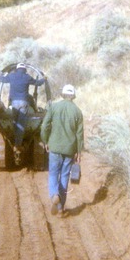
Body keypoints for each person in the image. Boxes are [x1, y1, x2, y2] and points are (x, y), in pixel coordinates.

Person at [41, 84, 84, 217]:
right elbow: (79, 134)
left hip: (54, 147)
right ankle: (61, 209)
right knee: (64, 176)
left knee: (53, 174)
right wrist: (79, 151)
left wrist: (45, 140)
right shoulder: (77, 111)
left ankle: (54, 195)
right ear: (73, 96)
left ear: (63, 94)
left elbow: (45, 126)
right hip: (70, 150)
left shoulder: (54, 107)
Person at [0, 62, 45, 150]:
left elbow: (2, 79)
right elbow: (38, 83)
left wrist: (0, 74)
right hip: (24, 103)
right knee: (21, 124)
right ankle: (17, 144)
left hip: (14, 103)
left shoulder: (12, 76)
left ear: (17, 69)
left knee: (15, 123)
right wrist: (44, 79)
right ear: (24, 70)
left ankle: (15, 141)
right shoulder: (27, 77)